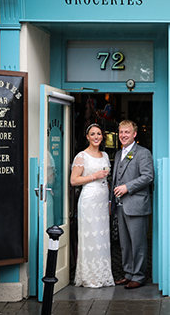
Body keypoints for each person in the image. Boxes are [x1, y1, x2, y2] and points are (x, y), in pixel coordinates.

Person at [111, 120, 154, 289]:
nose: (123, 135)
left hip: (136, 205)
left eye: (127, 132)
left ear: (134, 134)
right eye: (121, 132)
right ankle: (128, 273)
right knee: (125, 244)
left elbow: (148, 176)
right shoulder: (118, 154)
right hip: (120, 206)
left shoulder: (143, 153)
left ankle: (139, 275)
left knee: (138, 243)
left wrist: (127, 187)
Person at [70, 123, 114, 288]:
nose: (96, 137)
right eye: (93, 134)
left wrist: (109, 202)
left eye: (99, 134)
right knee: (90, 236)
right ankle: (90, 276)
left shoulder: (104, 155)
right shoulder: (82, 156)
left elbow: (107, 180)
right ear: (87, 137)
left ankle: (102, 274)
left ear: (102, 136)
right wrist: (94, 176)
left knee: (102, 237)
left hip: (102, 201)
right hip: (89, 199)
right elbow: (74, 180)